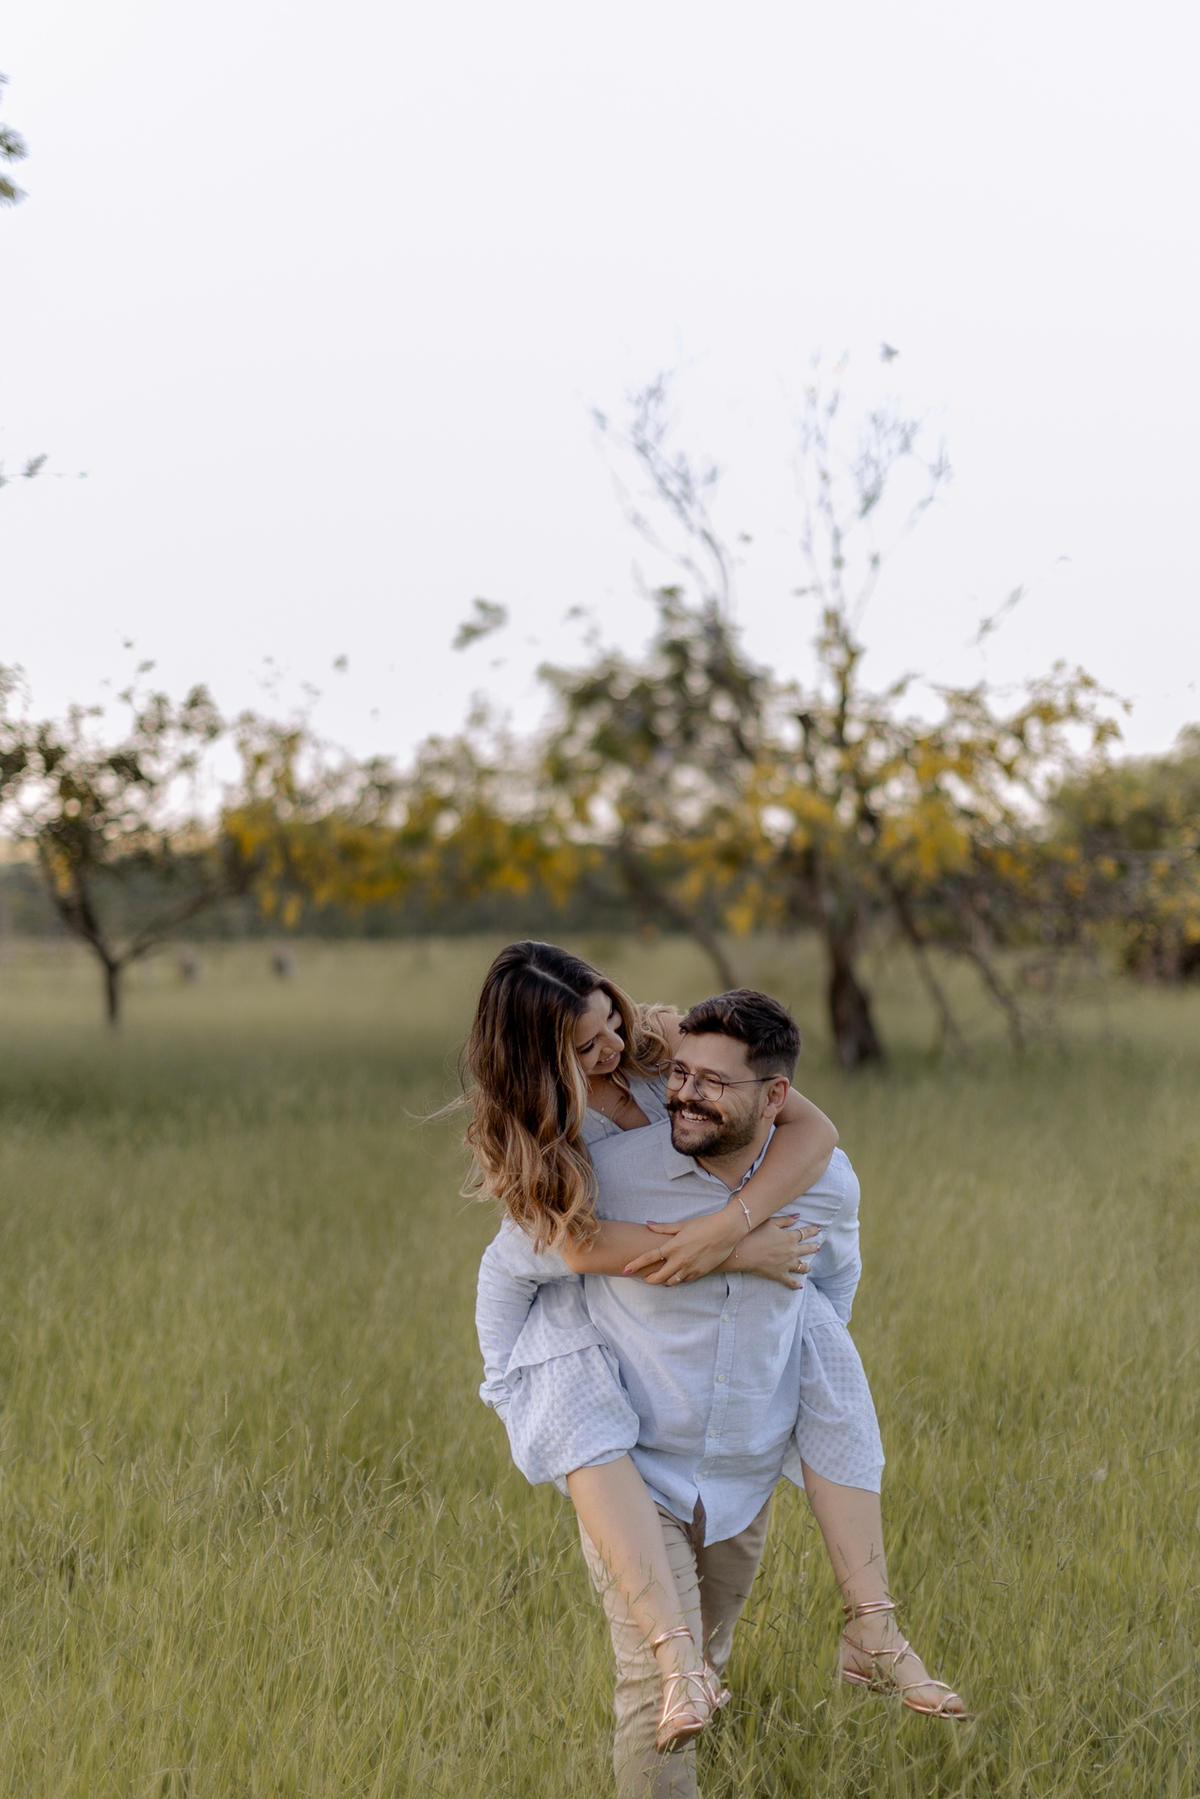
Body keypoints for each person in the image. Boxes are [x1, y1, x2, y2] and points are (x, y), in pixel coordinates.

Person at [470, 945, 967, 1795]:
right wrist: (733, 1250)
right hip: (619, 1375)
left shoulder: (668, 1047)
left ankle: (860, 1629)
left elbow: (811, 1131)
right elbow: (570, 1245)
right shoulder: (546, 1136)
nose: (613, 1048)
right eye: (585, 1046)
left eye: (611, 1018)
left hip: (727, 1411)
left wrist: (732, 1221)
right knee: (653, 1669)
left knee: (709, 1647)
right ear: (536, 1063)